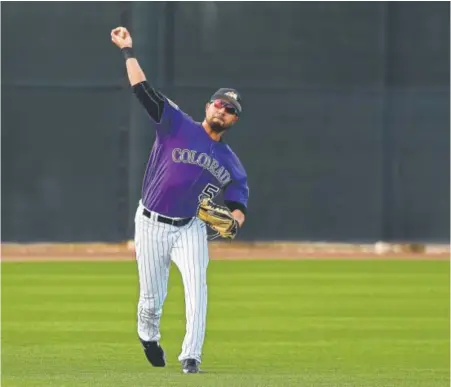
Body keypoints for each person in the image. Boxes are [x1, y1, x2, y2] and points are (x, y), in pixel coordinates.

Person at [111, 26, 249, 374]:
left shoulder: (230, 160)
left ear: (234, 120)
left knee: (197, 288)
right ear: (207, 106)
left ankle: (191, 357)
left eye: (230, 110)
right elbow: (143, 91)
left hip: (189, 227)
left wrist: (236, 219)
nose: (222, 111)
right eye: (219, 104)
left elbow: (238, 198)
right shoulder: (176, 123)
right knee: (151, 302)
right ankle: (148, 336)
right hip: (151, 224)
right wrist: (128, 50)